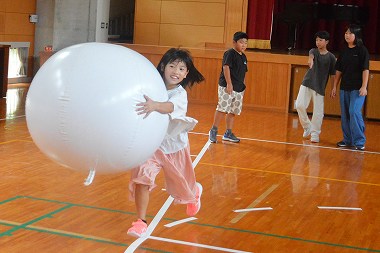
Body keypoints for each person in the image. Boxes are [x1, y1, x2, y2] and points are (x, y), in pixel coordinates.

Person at [127, 48, 205, 238]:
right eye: (172, 66)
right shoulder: (151, 86)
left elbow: (170, 107)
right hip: (150, 145)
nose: (175, 72)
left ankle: (194, 192)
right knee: (142, 179)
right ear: (163, 67)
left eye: (181, 68)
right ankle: (140, 221)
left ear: (186, 73)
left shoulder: (180, 94)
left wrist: (155, 106)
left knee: (183, 186)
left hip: (174, 147)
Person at [331, 24, 369, 151]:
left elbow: (365, 69)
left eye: (350, 33)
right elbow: (339, 70)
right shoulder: (344, 50)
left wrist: (364, 86)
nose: (347, 35)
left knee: (354, 112)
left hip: (357, 88)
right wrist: (334, 87)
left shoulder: (362, 50)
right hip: (344, 87)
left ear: (356, 35)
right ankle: (348, 140)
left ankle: (359, 141)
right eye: (346, 33)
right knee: (345, 114)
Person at [295, 31, 336, 143]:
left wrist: (333, 87)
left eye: (320, 40)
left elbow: (333, 74)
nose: (318, 42)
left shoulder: (331, 57)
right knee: (299, 105)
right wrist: (310, 60)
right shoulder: (313, 51)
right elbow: (311, 56)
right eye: (317, 40)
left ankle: (315, 134)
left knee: (318, 112)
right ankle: (307, 126)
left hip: (320, 86)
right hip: (307, 82)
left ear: (326, 41)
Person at [209, 31, 248, 143]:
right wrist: (229, 84)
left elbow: (243, 73)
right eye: (241, 42)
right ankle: (213, 130)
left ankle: (228, 133)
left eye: (246, 43)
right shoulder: (230, 54)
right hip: (227, 87)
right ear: (234, 42)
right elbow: (226, 68)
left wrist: (243, 87)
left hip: (239, 88)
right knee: (222, 108)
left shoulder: (244, 57)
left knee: (232, 111)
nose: (244, 45)